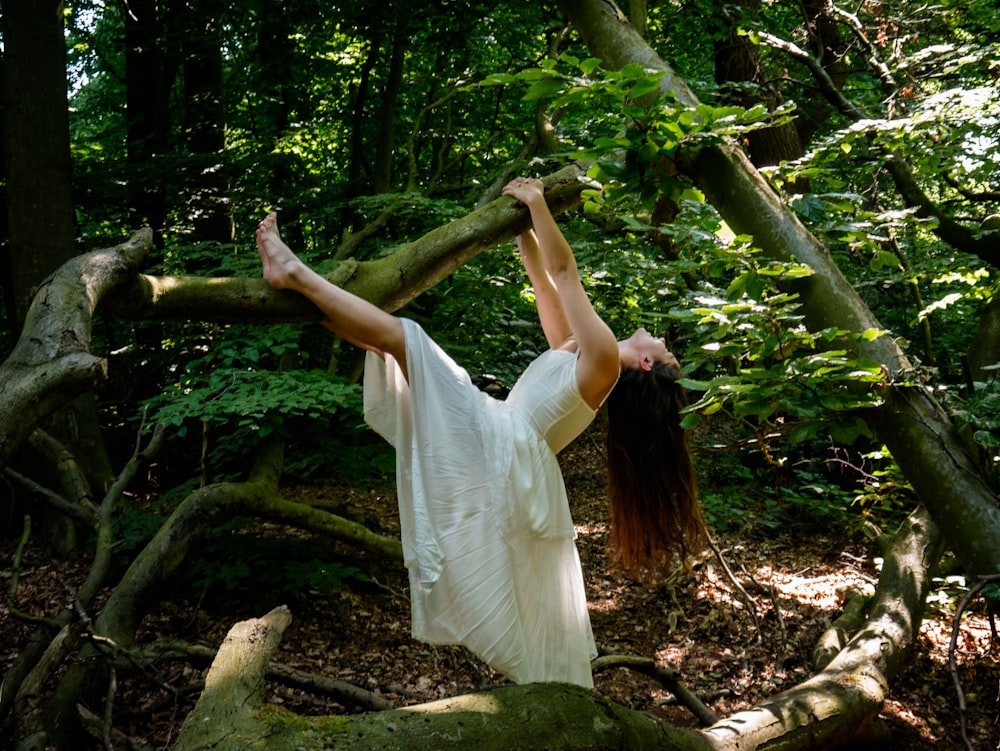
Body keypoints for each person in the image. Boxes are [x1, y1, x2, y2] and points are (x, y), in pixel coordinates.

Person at [255, 177, 706, 688]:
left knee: (410, 341)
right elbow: (545, 284)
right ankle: (305, 293)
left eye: (663, 348)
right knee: (394, 350)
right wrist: (521, 230)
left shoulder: (602, 358)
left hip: (506, 448)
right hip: (505, 448)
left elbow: (564, 272)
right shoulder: (579, 351)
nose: (662, 337)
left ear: (644, 364)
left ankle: (292, 271)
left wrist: (538, 202)